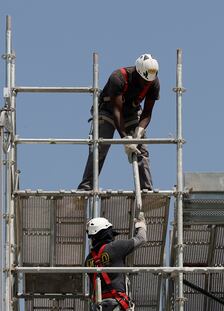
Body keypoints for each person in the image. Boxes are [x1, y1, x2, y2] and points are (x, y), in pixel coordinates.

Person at [78, 53, 160, 191]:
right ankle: (86, 187)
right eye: (144, 81)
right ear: (138, 72)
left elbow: (147, 113)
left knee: (141, 150)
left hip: (131, 113)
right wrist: (126, 139)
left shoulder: (153, 82)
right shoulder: (119, 77)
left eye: (149, 82)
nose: (147, 84)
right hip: (108, 110)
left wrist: (139, 132)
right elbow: (117, 111)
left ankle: (146, 190)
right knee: (100, 146)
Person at [85, 215, 147, 311]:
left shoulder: (88, 259)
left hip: (98, 306)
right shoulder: (115, 247)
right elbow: (141, 239)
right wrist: (141, 224)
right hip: (117, 303)